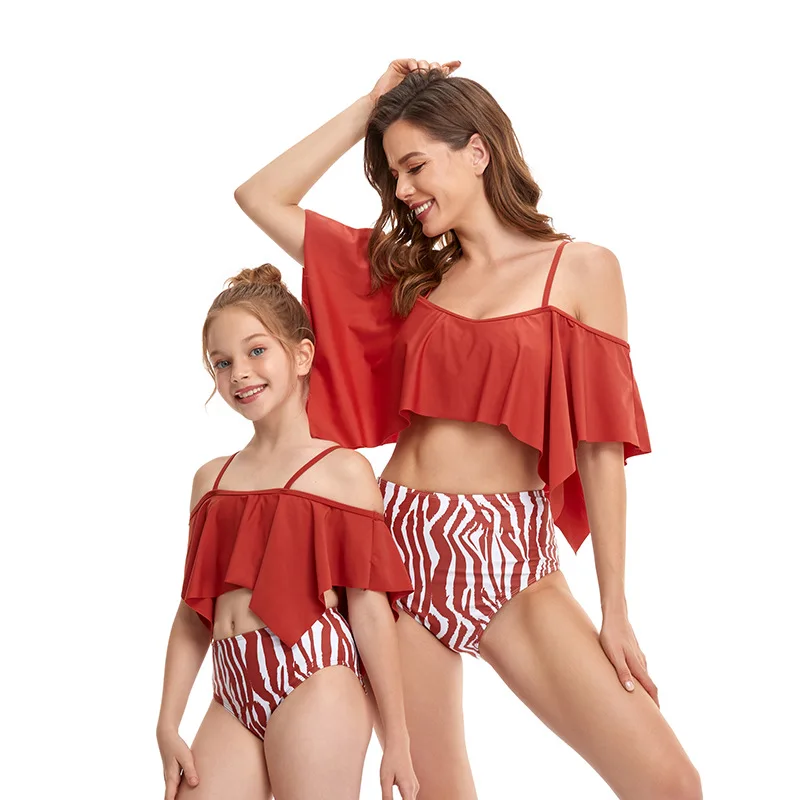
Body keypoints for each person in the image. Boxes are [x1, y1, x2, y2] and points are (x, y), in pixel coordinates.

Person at [233, 60, 702, 800]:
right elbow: (260, 196)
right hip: (394, 543)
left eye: (416, 166)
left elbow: (600, 448)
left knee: (669, 783)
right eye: (394, 175)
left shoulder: (581, 270)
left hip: (508, 550)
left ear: (478, 151)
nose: (404, 190)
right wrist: (371, 106)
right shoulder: (411, 276)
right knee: (437, 792)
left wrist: (615, 609)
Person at [156, 264, 418, 800]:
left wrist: (397, 739)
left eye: (256, 351)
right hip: (231, 690)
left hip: (313, 675)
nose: (239, 374)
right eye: (221, 362)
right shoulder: (211, 479)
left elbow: (370, 611)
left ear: (301, 356)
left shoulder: (343, 472)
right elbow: (193, 612)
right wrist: (167, 721)